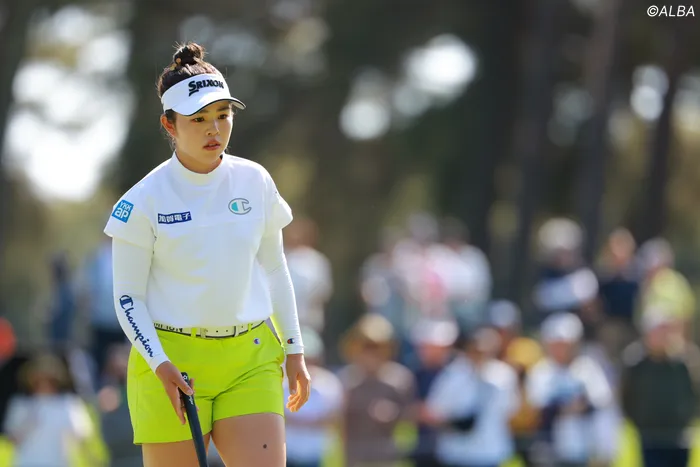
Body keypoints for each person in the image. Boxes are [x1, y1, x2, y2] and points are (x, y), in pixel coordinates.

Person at [103, 42, 311, 467]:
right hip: (170, 362)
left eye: (223, 115)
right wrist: (160, 364)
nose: (213, 129)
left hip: (251, 357)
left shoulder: (255, 180)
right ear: (169, 123)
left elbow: (275, 269)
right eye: (198, 119)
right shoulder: (141, 201)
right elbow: (128, 298)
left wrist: (294, 348)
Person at [424, 326, 519, 467]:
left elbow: (511, 410)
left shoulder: (504, 374)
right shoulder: (452, 375)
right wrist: (455, 423)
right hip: (456, 453)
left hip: (490, 452)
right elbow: (434, 412)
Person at [621, 310, 698, 467]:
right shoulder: (635, 363)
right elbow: (625, 396)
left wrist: (688, 417)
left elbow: (695, 392)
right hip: (650, 436)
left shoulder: (684, 361)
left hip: (680, 436)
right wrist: (639, 422)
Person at [3, 353, 97, 467]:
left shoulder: (68, 403)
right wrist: (28, 423)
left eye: (48, 379)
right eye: (39, 379)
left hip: (58, 463)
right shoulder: (21, 404)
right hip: (27, 463)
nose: (44, 383)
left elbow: (83, 435)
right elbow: (11, 439)